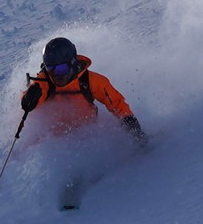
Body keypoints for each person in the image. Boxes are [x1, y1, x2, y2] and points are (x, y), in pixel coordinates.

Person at [20, 36, 149, 149]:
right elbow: (29, 103)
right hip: (55, 140)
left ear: (72, 63)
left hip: (86, 134)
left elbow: (117, 104)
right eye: (50, 69)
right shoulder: (44, 82)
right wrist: (28, 100)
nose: (55, 74)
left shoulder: (91, 81)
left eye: (61, 69)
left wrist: (133, 129)